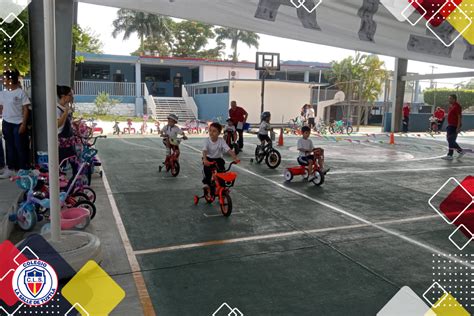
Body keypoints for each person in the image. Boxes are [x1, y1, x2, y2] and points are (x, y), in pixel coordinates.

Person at [0, 69, 31, 179]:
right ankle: (11, 168)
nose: (3, 80)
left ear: (11, 80)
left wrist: (23, 124)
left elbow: (26, 109)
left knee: (19, 145)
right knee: (9, 146)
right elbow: (1, 107)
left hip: (18, 122)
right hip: (7, 122)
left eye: (5, 78)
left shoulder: (20, 92)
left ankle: (22, 168)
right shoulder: (2, 93)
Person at [202, 122, 239, 194]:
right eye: (210, 130)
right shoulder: (206, 140)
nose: (211, 133)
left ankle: (222, 187)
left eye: (214, 131)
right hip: (208, 158)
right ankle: (207, 184)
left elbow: (228, 149)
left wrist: (235, 157)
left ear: (219, 133)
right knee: (207, 170)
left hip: (218, 159)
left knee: (222, 172)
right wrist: (205, 159)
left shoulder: (221, 140)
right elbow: (204, 150)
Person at [442, 95, 464, 160]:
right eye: (449, 98)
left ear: (454, 99)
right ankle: (459, 151)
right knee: (450, 140)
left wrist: (458, 127)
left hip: (454, 126)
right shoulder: (452, 106)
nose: (449, 100)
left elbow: (459, 117)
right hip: (450, 125)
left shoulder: (457, 106)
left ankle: (450, 154)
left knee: (451, 140)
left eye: (450, 99)